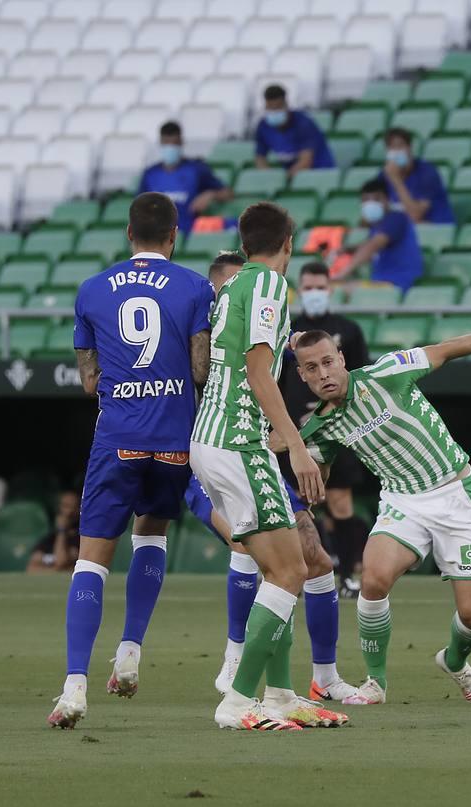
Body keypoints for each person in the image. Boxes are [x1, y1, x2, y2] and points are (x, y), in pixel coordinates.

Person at [48, 192, 214, 729]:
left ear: (128, 235)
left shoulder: (92, 289)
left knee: (92, 558)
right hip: (174, 439)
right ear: (174, 235)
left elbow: (89, 379)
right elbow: (201, 369)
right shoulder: (194, 287)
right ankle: (130, 650)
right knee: (151, 535)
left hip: (118, 435)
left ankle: (75, 688)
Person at [291, 316, 471, 704]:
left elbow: (446, 350)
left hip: (455, 494)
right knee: (374, 580)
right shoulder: (320, 426)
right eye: (312, 368)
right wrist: (310, 472)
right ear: (302, 375)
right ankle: (376, 683)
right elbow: (321, 468)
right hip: (403, 501)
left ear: (342, 358)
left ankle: (453, 659)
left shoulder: (387, 373)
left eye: (328, 362)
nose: (324, 373)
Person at [190, 201, 348, 730]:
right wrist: (296, 446)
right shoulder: (267, 286)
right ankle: (237, 702)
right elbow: (259, 371)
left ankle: (279, 696)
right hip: (239, 443)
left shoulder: (231, 285)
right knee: (291, 569)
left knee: (277, 570)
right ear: (289, 241)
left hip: (213, 440)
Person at [281, 260, 369, 596]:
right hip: (294, 433)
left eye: (320, 287)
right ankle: (299, 574)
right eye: (309, 287)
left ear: (329, 289)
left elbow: (361, 379)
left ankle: (347, 576)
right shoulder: (285, 333)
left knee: (340, 501)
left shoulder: (348, 330)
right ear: (299, 290)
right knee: (297, 505)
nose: (314, 293)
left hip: (339, 429)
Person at [138, 121, 233, 235]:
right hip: (159, 235)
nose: (170, 148)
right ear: (161, 143)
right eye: (167, 143)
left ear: (181, 143)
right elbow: (139, 208)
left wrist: (210, 194)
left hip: (191, 231)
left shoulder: (196, 169)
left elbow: (228, 193)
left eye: (174, 143)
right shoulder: (150, 174)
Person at [333, 178, 423, 292]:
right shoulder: (376, 227)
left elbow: (372, 246)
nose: (371, 204)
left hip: (398, 283)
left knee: (343, 290)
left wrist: (343, 274)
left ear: (387, 200)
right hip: (379, 282)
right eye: (366, 200)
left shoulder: (396, 218)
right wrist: (348, 249)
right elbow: (369, 247)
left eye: (376, 199)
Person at [255, 84, 335, 176]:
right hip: (291, 176)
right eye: (270, 108)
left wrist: (282, 180)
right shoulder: (264, 126)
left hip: (319, 173)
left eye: (277, 108)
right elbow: (260, 158)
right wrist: (268, 176)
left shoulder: (304, 124)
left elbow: (306, 161)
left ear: (286, 105)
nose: (274, 112)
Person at [380, 127, 455, 225]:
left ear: (409, 148)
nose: (396, 152)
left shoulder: (427, 173)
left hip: (436, 231)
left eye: (400, 146)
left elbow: (414, 216)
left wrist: (395, 179)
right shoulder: (383, 175)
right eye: (391, 148)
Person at [27, 491, 80, 573]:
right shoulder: (51, 536)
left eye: (73, 507)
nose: (69, 512)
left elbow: (61, 561)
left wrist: (62, 530)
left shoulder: (82, 537)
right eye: (65, 506)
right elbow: (31, 567)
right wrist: (57, 570)